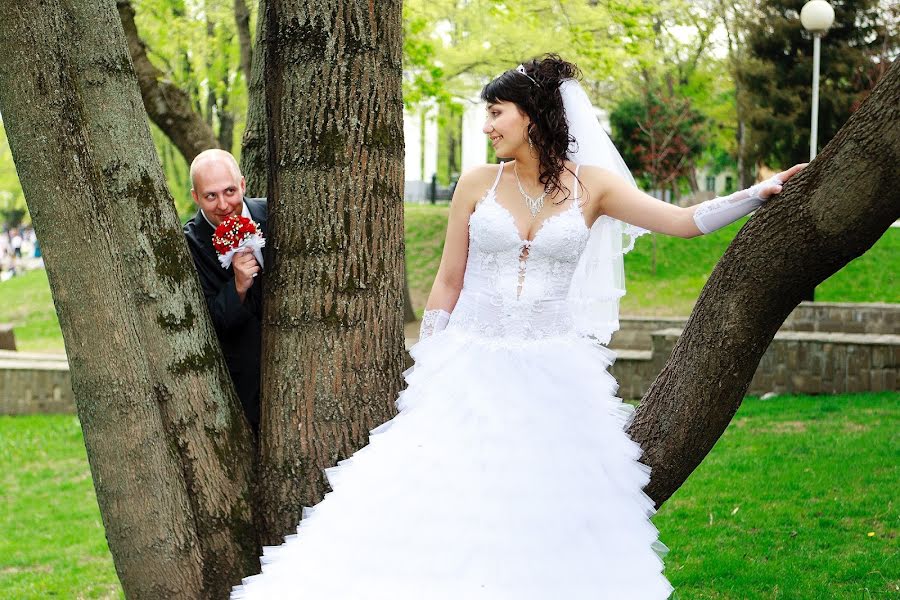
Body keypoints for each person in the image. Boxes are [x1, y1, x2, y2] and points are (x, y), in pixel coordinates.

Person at [232, 56, 805, 599]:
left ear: (531, 116)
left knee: (543, 505)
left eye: (496, 112)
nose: (487, 126)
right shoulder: (478, 184)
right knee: (451, 498)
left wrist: (757, 194)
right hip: (469, 365)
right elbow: (448, 281)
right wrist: (430, 363)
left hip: (555, 375)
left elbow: (683, 222)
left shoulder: (594, 186)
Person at [183, 149, 267, 432]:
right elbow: (208, 325)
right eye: (210, 196)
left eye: (230, 191)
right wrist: (238, 288)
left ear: (242, 185)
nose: (223, 205)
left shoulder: (272, 213)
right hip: (242, 386)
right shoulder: (188, 245)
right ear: (196, 197)